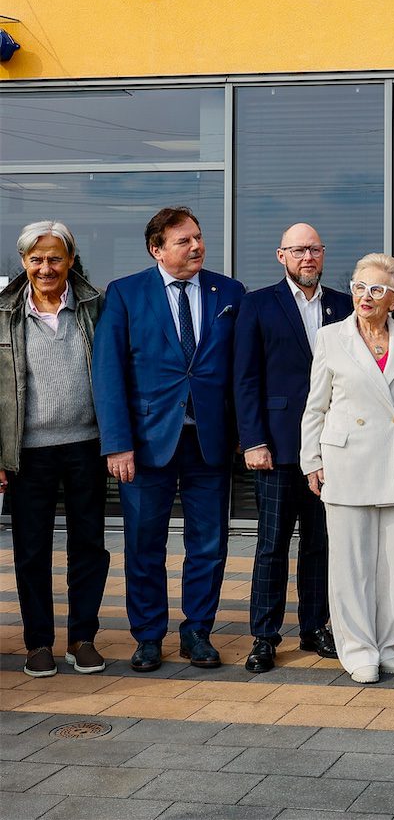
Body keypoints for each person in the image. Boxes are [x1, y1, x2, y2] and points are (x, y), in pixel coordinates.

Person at [92, 207, 244, 672]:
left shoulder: (229, 292)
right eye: (184, 241)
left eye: (198, 237)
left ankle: (198, 632)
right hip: (145, 443)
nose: (197, 246)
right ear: (156, 249)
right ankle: (148, 636)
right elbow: (108, 373)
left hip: (209, 442)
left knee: (208, 545)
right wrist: (117, 443)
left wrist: (246, 434)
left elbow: (242, 372)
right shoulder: (125, 293)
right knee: (144, 544)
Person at [233, 223, 350, 673]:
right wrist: (253, 441)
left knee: (320, 543)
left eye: (314, 249)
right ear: (281, 255)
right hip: (277, 448)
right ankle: (264, 636)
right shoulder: (258, 304)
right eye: (298, 250)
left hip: (330, 447)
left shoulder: (343, 304)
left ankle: (315, 627)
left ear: (323, 253)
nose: (307, 257)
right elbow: (245, 378)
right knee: (272, 545)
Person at [301, 253, 394, 684]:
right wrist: (311, 460)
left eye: (376, 289)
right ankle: (357, 650)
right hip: (346, 460)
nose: (365, 296)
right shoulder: (330, 337)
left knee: (393, 565)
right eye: (358, 287)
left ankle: (388, 646)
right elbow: (316, 406)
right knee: (350, 565)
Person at [0, 221, 109, 678]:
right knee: (31, 550)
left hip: (87, 445)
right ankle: (38, 643)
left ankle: (82, 639)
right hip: (27, 451)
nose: (46, 268)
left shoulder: (95, 306)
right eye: (37, 259)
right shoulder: (4, 312)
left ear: (70, 261)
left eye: (55, 258)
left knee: (89, 546)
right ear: (24, 263)